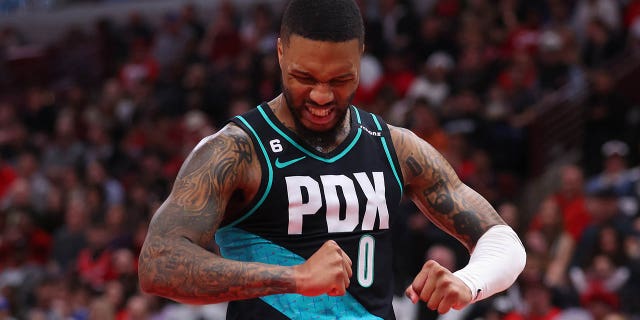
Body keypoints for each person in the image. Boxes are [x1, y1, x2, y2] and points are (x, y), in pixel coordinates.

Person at [138, 0, 526, 319]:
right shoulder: (236, 150)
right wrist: (293, 277)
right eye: (304, 77)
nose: (321, 96)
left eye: (340, 80)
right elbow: (158, 262)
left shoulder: (395, 146)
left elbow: (502, 240)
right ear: (280, 52)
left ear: (360, 58)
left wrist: (468, 281)